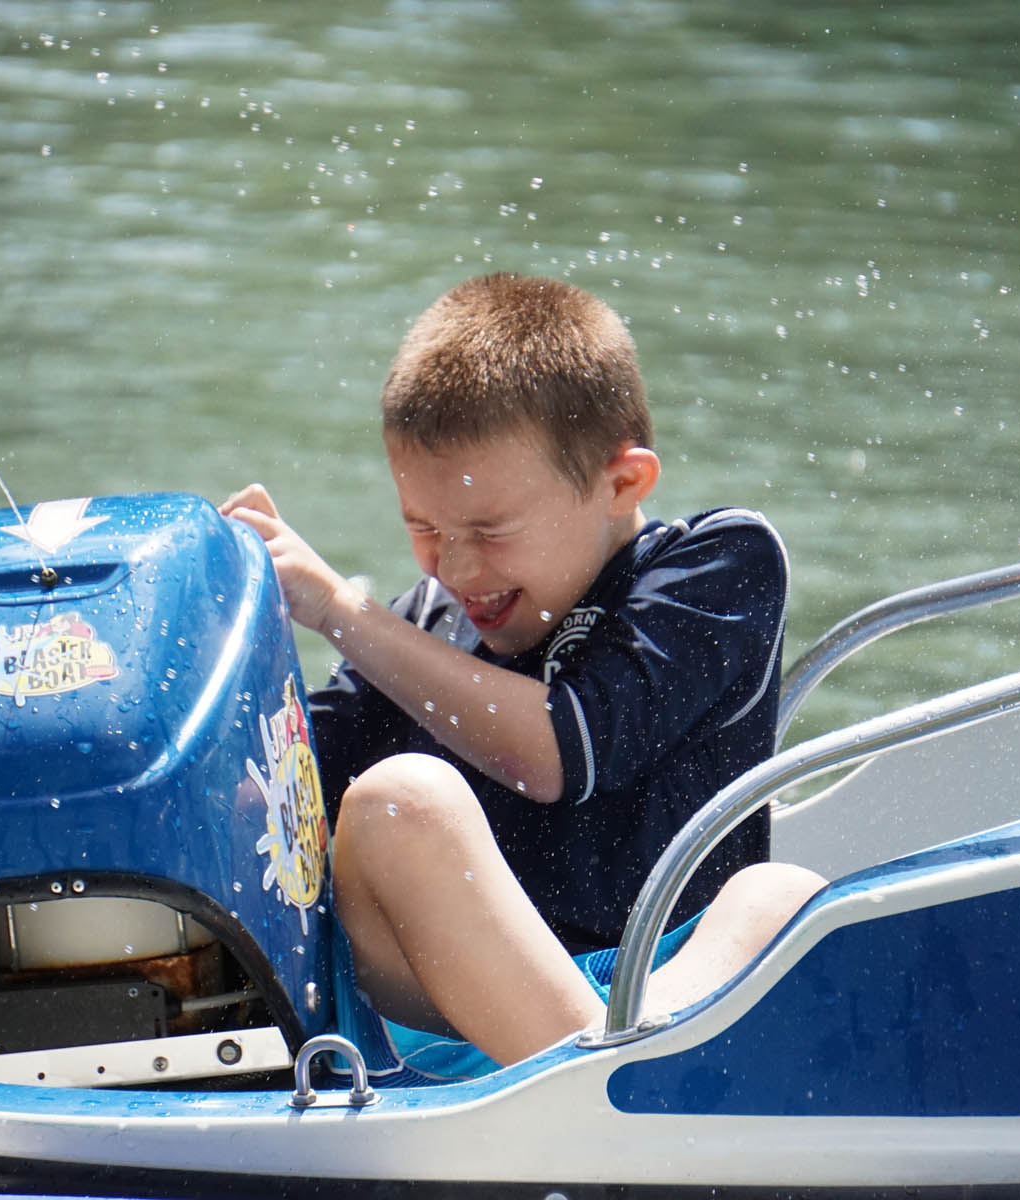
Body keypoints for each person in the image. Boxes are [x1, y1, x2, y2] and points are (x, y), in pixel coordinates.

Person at [221, 273, 817, 1070]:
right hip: (454, 1028)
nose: (457, 567)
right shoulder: (418, 625)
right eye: (423, 528)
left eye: (488, 529)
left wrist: (337, 610)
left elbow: (554, 755)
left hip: (657, 994)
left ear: (622, 483)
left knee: (779, 899)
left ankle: (607, 1078)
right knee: (398, 804)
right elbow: (268, 793)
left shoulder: (720, 564)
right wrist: (222, 619)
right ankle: (608, 1092)